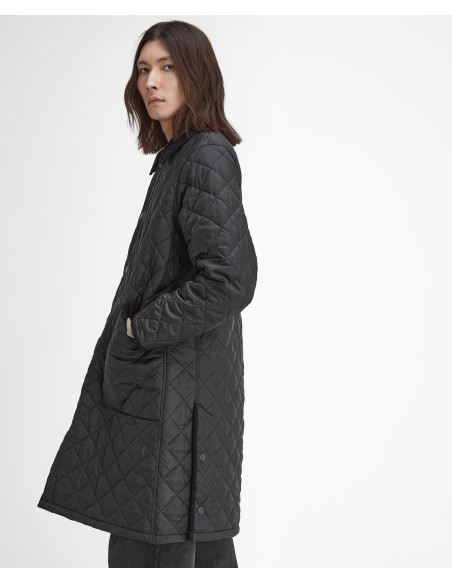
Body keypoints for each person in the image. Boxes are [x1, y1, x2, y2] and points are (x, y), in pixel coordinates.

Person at [37, 19, 258, 568]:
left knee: (156, 548)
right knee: (191, 550)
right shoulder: (179, 158)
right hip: (169, 395)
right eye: (143, 69)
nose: (151, 81)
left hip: (173, 400)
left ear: (197, 75)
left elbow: (230, 279)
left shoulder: (205, 156)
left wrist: (140, 328)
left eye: (167, 67)